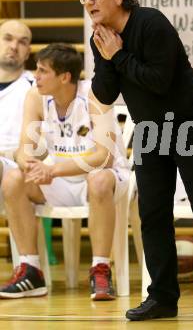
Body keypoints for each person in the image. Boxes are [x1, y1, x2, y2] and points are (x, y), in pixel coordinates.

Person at [79, 0, 193, 321]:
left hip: (187, 124)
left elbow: (158, 81)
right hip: (149, 132)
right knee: (152, 215)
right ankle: (163, 297)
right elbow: (106, 93)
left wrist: (118, 56)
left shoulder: (151, 24)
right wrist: (108, 58)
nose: (88, 2)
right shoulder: (103, 37)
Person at [0, 43, 130, 300]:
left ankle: (101, 268)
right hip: (59, 180)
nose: (34, 76)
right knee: (14, 178)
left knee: (99, 180)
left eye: (42, 71)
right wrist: (29, 164)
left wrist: (54, 169)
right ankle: (31, 271)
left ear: (64, 77)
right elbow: (24, 149)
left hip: (107, 178)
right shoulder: (35, 97)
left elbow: (102, 157)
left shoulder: (95, 95)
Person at [0, 20, 33, 191]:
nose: (14, 46)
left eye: (22, 42)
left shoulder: (37, 88)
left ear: (28, 53)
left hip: (16, 169)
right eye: (8, 38)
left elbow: (44, 146)